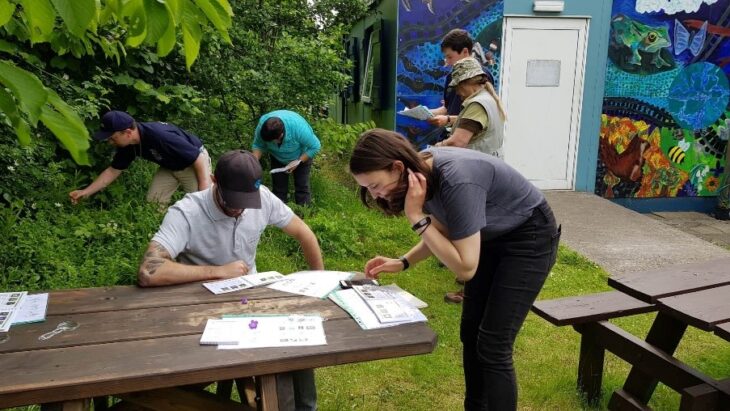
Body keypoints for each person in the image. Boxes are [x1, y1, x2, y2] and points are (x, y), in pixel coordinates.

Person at [349, 129, 560, 411]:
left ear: (397, 167)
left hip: (529, 237)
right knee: (470, 332)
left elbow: (465, 267)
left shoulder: (457, 179)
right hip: (490, 235)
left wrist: (416, 217)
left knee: (494, 343)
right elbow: (448, 228)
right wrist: (404, 261)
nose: (375, 195)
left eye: (374, 185)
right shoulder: (421, 173)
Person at [138, 149, 323, 410]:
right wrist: (216, 271)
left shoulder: (264, 198)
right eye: (232, 202)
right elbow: (149, 270)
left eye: (246, 202)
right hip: (198, 311)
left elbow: (304, 233)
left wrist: (320, 281)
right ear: (214, 181)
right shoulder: (188, 212)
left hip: (250, 300)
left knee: (298, 342)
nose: (239, 210)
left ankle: (304, 408)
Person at [69, 111, 212, 205]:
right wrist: (85, 192)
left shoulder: (159, 136)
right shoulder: (128, 145)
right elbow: (112, 171)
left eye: (112, 138)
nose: (110, 142)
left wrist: (204, 188)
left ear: (127, 132)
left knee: (200, 205)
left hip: (193, 164)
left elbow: (198, 157)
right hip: (170, 165)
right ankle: (163, 234)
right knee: (154, 201)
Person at [434, 56, 505, 158]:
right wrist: (449, 119)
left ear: (466, 82)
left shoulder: (477, 104)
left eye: (457, 87)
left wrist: (435, 148)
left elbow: (457, 142)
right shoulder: (489, 99)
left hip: (476, 168)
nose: (457, 93)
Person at [252, 110, 321, 205]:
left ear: (281, 135)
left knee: (302, 186)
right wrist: (252, 163)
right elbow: (258, 145)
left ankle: (304, 214)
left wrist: (299, 161)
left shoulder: (298, 128)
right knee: (278, 189)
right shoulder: (262, 127)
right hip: (277, 157)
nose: (271, 144)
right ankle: (278, 215)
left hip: (301, 155)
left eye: (273, 141)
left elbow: (315, 146)